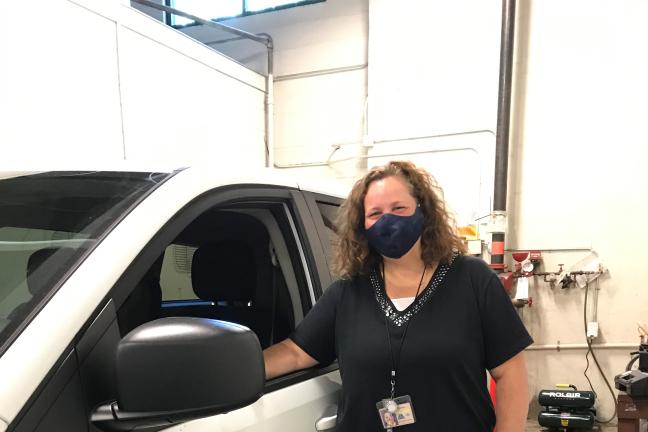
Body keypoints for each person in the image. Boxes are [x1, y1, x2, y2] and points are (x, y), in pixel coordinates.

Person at [263, 160, 533, 431]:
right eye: (375, 213)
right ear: (362, 224)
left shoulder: (472, 280)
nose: (387, 220)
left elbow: (510, 373)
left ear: (423, 212)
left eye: (398, 208)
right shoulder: (348, 293)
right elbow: (296, 353)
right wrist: (230, 372)